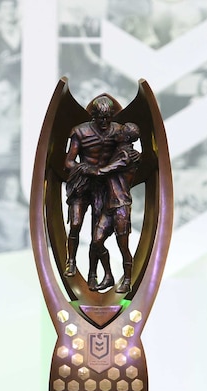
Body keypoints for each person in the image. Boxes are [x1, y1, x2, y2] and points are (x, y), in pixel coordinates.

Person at [63, 95, 121, 289]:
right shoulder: (80, 132)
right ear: (93, 116)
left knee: (97, 232)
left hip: (103, 186)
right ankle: (71, 260)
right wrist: (86, 169)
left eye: (108, 118)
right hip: (82, 183)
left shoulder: (117, 131)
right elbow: (69, 161)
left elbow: (126, 151)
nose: (104, 122)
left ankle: (93, 274)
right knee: (76, 223)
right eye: (100, 118)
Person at [88, 122, 141, 293]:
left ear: (125, 137)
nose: (117, 131)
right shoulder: (120, 152)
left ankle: (127, 280)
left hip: (121, 207)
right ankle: (109, 275)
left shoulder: (126, 156)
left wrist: (87, 169)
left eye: (121, 131)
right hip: (109, 205)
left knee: (123, 246)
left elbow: (103, 171)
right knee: (97, 242)